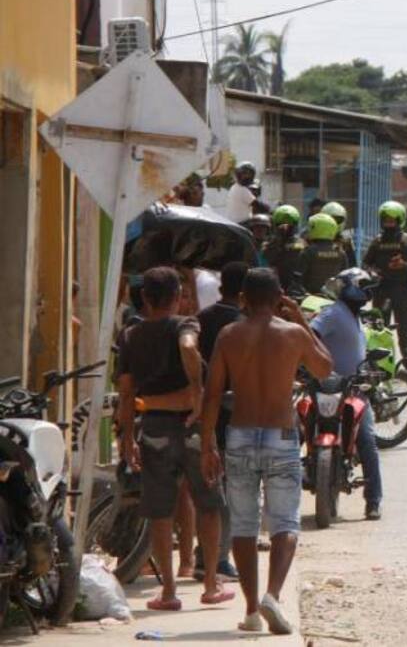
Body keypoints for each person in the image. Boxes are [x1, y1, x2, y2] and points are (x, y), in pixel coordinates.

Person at [201, 268, 333, 635]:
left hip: (240, 434)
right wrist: (302, 319)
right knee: (285, 522)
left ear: (243, 298)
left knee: (243, 525)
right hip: (281, 435)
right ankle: (272, 594)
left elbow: (211, 394)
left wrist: (208, 445)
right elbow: (325, 368)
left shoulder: (228, 335)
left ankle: (250, 610)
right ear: (278, 298)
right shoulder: (292, 334)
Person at [116, 266, 232, 611]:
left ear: (146, 299)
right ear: (177, 297)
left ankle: (168, 591)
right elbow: (187, 346)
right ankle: (210, 583)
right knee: (208, 503)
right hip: (193, 427)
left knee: (160, 512)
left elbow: (125, 392)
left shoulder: (131, 335)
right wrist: (196, 391)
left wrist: (125, 438)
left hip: (153, 429)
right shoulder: (186, 324)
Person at [311, 269, 384, 518]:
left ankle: (373, 500)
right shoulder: (332, 312)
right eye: (363, 285)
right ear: (349, 287)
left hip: (354, 389)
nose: (368, 291)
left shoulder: (356, 316)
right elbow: (311, 334)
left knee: (367, 439)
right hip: (328, 387)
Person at [194, 261, 247, 583]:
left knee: (209, 491)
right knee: (228, 494)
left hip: (202, 413)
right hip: (231, 416)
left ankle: (205, 555)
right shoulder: (241, 325)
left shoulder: (201, 319)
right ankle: (219, 558)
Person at [362, 201, 407, 376]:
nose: (389, 224)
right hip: (381, 292)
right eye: (386, 220)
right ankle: (379, 370)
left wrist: (404, 265)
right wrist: (374, 272)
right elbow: (366, 263)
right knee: (378, 332)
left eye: (392, 220)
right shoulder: (376, 242)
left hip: (403, 292)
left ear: (400, 220)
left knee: (404, 333)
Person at [296, 212, 349, 295]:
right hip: (334, 299)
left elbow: (298, 279)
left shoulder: (308, 252)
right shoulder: (341, 253)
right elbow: (346, 279)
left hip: (310, 300)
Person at [263, 204, 306, 296]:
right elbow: (268, 258)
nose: (285, 228)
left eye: (289, 225)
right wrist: (278, 241)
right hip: (275, 287)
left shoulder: (302, 243)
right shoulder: (270, 243)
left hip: (296, 288)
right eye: (281, 225)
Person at [321, 201, 357, 267]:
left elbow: (352, 265)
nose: (334, 222)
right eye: (331, 219)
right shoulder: (315, 238)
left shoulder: (346, 242)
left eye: (338, 219)